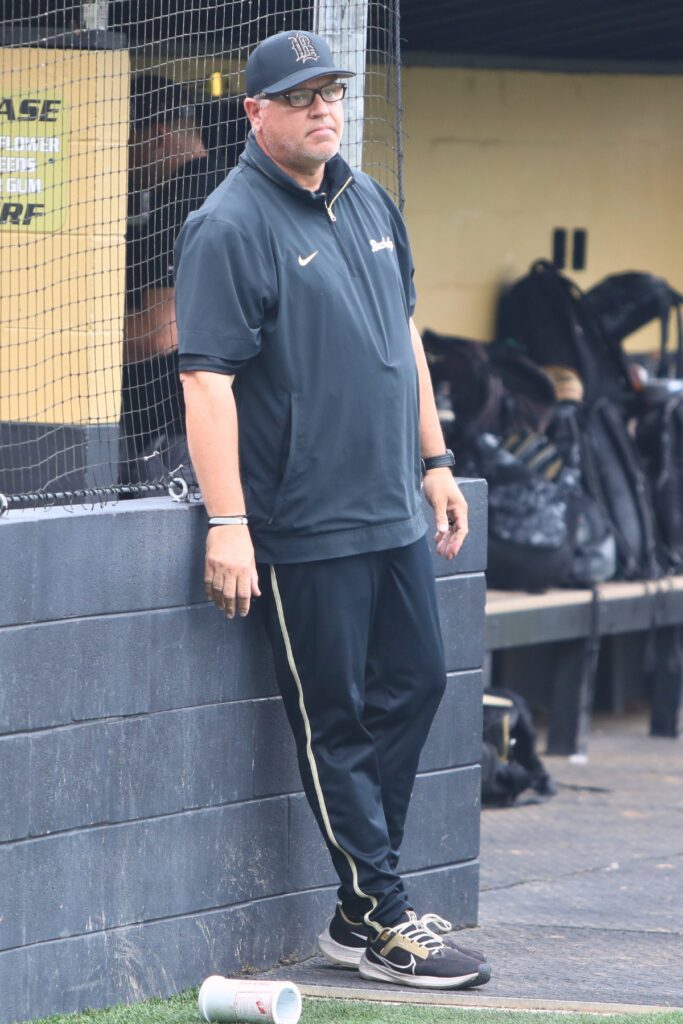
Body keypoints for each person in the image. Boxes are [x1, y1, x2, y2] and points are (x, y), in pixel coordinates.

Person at [174, 31, 490, 990]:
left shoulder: (367, 198)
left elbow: (404, 333)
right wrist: (229, 525)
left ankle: (358, 909)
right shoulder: (226, 224)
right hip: (302, 525)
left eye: (332, 93)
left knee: (420, 686)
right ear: (254, 113)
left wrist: (434, 457)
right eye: (300, 96)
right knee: (337, 722)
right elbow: (207, 385)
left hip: (392, 504)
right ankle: (385, 920)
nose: (323, 109)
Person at [120, 74, 226, 486]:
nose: (122, 157)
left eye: (126, 140)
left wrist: (72, 346)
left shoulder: (184, 200)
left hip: (177, 434)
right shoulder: (228, 184)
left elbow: (163, 330)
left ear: (158, 136)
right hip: (218, 419)